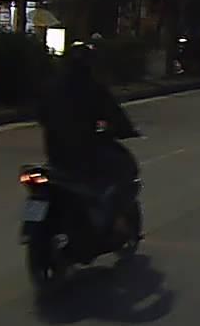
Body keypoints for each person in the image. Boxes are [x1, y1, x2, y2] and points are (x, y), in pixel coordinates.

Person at [37, 40, 140, 235]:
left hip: (55, 154)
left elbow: (40, 115)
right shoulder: (93, 88)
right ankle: (112, 220)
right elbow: (116, 116)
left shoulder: (51, 87)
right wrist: (126, 129)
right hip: (87, 153)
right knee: (123, 169)